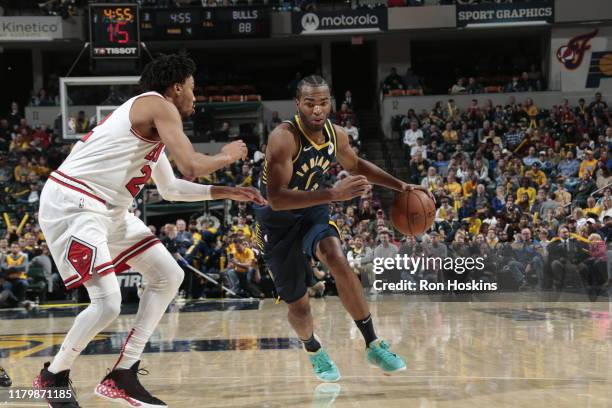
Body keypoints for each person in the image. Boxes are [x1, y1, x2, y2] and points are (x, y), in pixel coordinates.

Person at [33, 54, 266, 408]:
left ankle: (123, 373)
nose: (194, 95)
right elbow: (191, 166)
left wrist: (226, 191)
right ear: (176, 87)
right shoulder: (158, 105)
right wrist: (226, 156)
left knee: (168, 275)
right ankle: (53, 377)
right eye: (192, 87)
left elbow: (171, 188)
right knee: (108, 303)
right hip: (74, 202)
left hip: (108, 208)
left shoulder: (151, 125)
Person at [254, 75, 433, 382]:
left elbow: (357, 165)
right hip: (276, 220)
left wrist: (400, 184)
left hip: (311, 208)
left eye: (323, 103)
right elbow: (277, 198)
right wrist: (334, 194)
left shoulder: (336, 135)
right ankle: (313, 348)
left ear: (331, 104)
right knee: (300, 307)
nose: (317, 110)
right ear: (298, 105)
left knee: (336, 257)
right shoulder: (284, 138)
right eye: (310, 103)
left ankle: (373, 342)